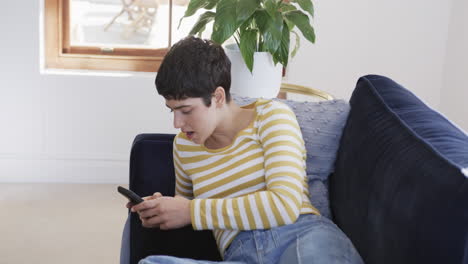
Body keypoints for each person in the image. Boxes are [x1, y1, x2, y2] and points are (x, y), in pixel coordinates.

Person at [127, 36, 363, 264]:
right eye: (172, 110)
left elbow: (285, 205)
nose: (177, 124)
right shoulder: (184, 147)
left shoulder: (271, 117)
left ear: (217, 97)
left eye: (186, 110)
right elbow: (186, 204)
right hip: (241, 252)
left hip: (300, 236)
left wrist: (191, 211)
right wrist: (160, 209)